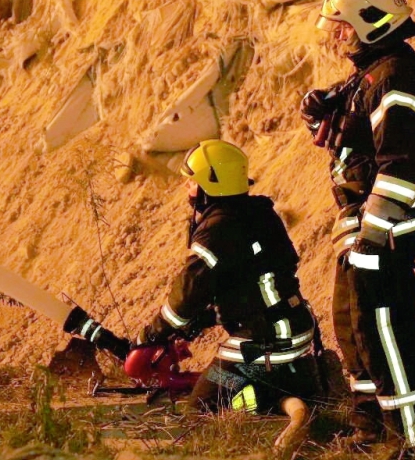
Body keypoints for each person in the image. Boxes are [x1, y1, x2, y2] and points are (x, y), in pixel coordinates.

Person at [301, 0, 415, 454]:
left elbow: (402, 162)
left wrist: (374, 236)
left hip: (384, 229)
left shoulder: (398, 75)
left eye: (344, 26)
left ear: (372, 21)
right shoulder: (370, 73)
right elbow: (356, 143)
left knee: (386, 328)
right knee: (353, 326)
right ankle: (369, 430)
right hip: (362, 226)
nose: (339, 36)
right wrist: (323, 113)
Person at [137, 139, 323, 418]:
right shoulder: (258, 213)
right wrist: (198, 325)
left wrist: (152, 334)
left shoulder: (218, 227)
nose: (186, 188)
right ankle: (285, 388)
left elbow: (189, 291)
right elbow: (245, 287)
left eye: (191, 182)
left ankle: (264, 401)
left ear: (208, 185)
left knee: (200, 411)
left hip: (263, 345)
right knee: (223, 383)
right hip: (294, 331)